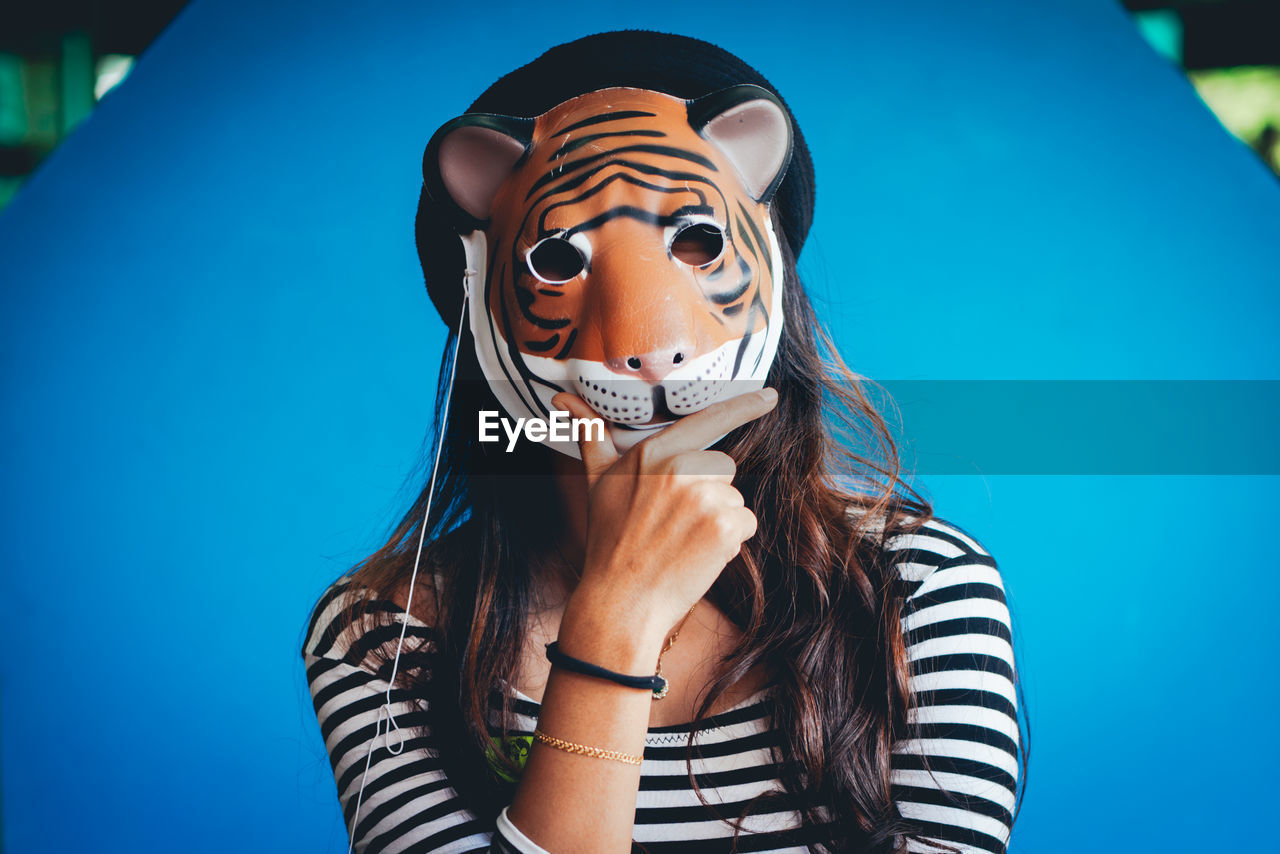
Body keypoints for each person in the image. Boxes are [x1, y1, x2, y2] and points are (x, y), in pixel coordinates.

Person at [301, 30, 1025, 854]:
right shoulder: (384, 638)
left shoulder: (917, 589)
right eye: (557, 257)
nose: (646, 346)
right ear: (482, 301)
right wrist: (617, 613)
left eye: (697, 240)